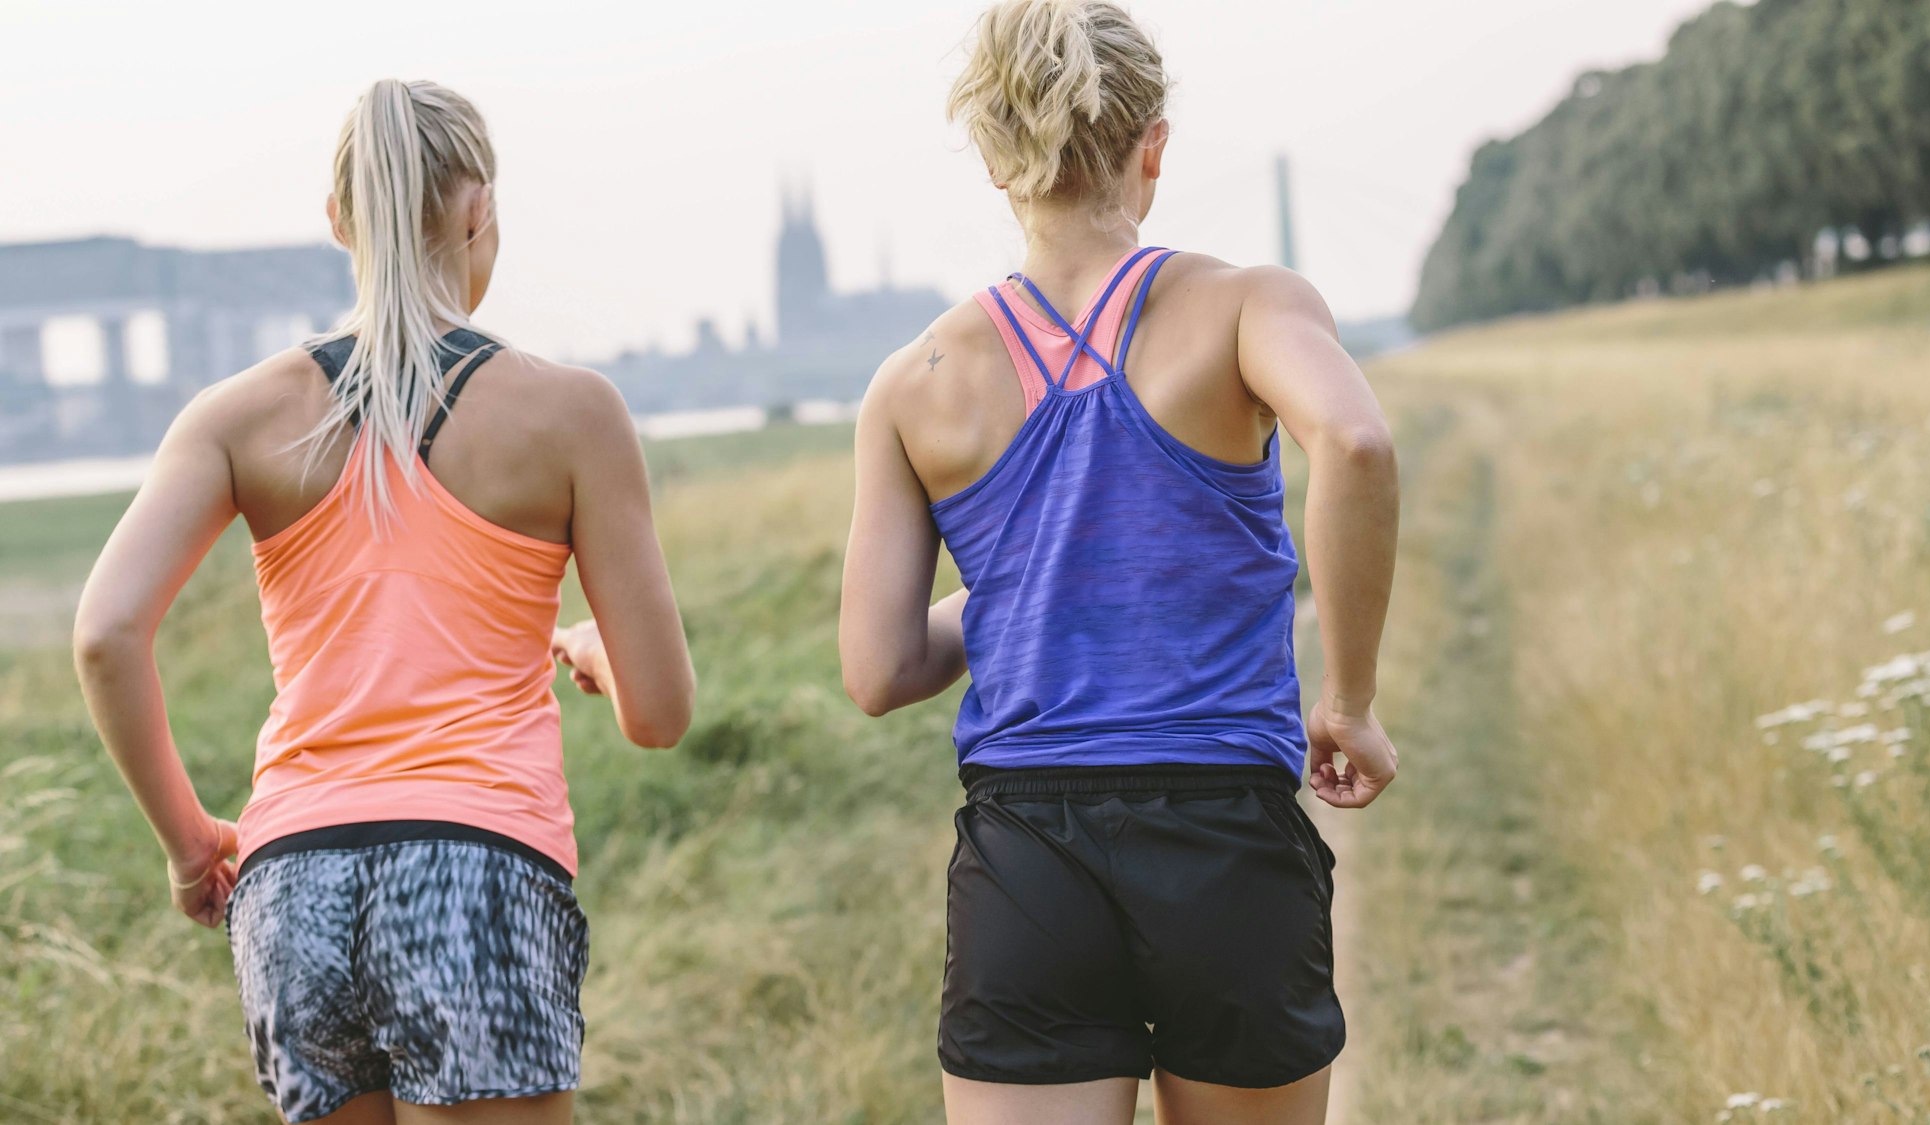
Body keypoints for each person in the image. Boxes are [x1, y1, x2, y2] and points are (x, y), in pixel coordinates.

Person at [72, 78, 694, 1125]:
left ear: (336, 222)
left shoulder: (235, 415)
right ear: (476, 207)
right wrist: (591, 649)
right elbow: (660, 715)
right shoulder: (572, 414)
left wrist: (190, 843)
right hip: (475, 870)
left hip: (291, 885)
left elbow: (104, 635)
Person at [838, 2, 1401, 1122]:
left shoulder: (914, 381)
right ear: (1152, 145)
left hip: (1027, 856)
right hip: (1222, 833)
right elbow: (1354, 440)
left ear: (995, 159)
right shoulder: (1246, 307)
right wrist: (1348, 699)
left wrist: (1021, 589)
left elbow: (879, 670)